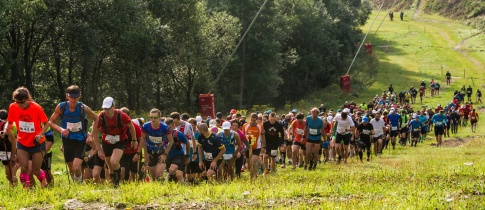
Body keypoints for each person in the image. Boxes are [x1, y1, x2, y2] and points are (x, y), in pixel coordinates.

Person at [48, 85, 100, 183]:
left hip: (80, 140)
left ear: (79, 97)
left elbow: (96, 118)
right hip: (67, 140)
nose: (73, 99)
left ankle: (79, 185)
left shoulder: (83, 108)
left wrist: (92, 135)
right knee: (72, 169)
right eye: (71, 96)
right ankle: (77, 184)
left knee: (76, 167)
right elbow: (51, 122)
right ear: (67, 96)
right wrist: (61, 129)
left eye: (76, 97)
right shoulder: (61, 107)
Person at [7, 87, 50, 188]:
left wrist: (41, 134)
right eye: (17, 102)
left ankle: (44, 184)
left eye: (22, 102)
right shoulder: (13, 107)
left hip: (36, 142)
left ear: (28, 99)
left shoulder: (36, 108)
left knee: (35, 170)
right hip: (22, 142)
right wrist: (6, 129)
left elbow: (46, 123)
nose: (20, 105)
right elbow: (9, 122)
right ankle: (27, 189)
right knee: (24, 168)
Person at [97, 97, 138, 187]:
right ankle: (114, 183)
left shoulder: (122, 115)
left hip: (120, 140)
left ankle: (117, 182)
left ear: (113, 107)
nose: (106, 111)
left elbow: (131, 126)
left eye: (108, 108)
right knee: (110, 166)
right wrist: (99, 149)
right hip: (106, 142)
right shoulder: (100, 117)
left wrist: (134, 140)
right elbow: (94, 134)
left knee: (114, 162)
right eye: (104, 109)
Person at [140, 108, 173, 181]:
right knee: (153, 176)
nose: (153, 119)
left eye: (155, 117)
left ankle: (162, 185)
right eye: (151, 117)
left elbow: (171, 141)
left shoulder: (165, 127)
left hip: (161, 152)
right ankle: (157, 188)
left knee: (159, 174)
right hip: (150, 152)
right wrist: (145, 153)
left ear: (159, 118)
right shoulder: (146, 126)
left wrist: (165, 154)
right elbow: (143, 139)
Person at [119, 108, 142, 182]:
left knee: (134, 173)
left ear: (128, 117)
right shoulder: (117, 126)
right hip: (122, 152)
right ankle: (123, 185)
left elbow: (141, 140)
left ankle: (134, 186)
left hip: (133, 152)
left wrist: (138, 153)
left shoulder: (135, 126)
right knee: (123, 170)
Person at [164, 118, 189, 182]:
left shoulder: (178, 134)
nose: (168, 129)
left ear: (174, 126)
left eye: (170, 127)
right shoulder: (162, 134)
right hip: (168, 156)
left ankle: (182, 186)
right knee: (171, 172)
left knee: (175, 172)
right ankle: (173, 184)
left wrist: (187, 155)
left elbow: (187, 143)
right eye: (167, 128)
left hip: (179, 155)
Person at [242, 113, 265, 179]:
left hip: (256, 147)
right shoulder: (245, 126)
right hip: (248, 147)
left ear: (256, 120)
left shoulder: (260, 126)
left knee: (253, 161)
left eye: (254, 120)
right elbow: (242, 136)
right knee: (249, 164)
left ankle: (254, 176)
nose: (252, 122)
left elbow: (263, 136)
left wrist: (263, 146)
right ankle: (252, 175)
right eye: (251, 120)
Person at [0, 110, 17, 186]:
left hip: (5, 147)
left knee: (8, 168)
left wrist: (13, 156)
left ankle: (13, 184)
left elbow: (13, 141)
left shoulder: (4, 124)